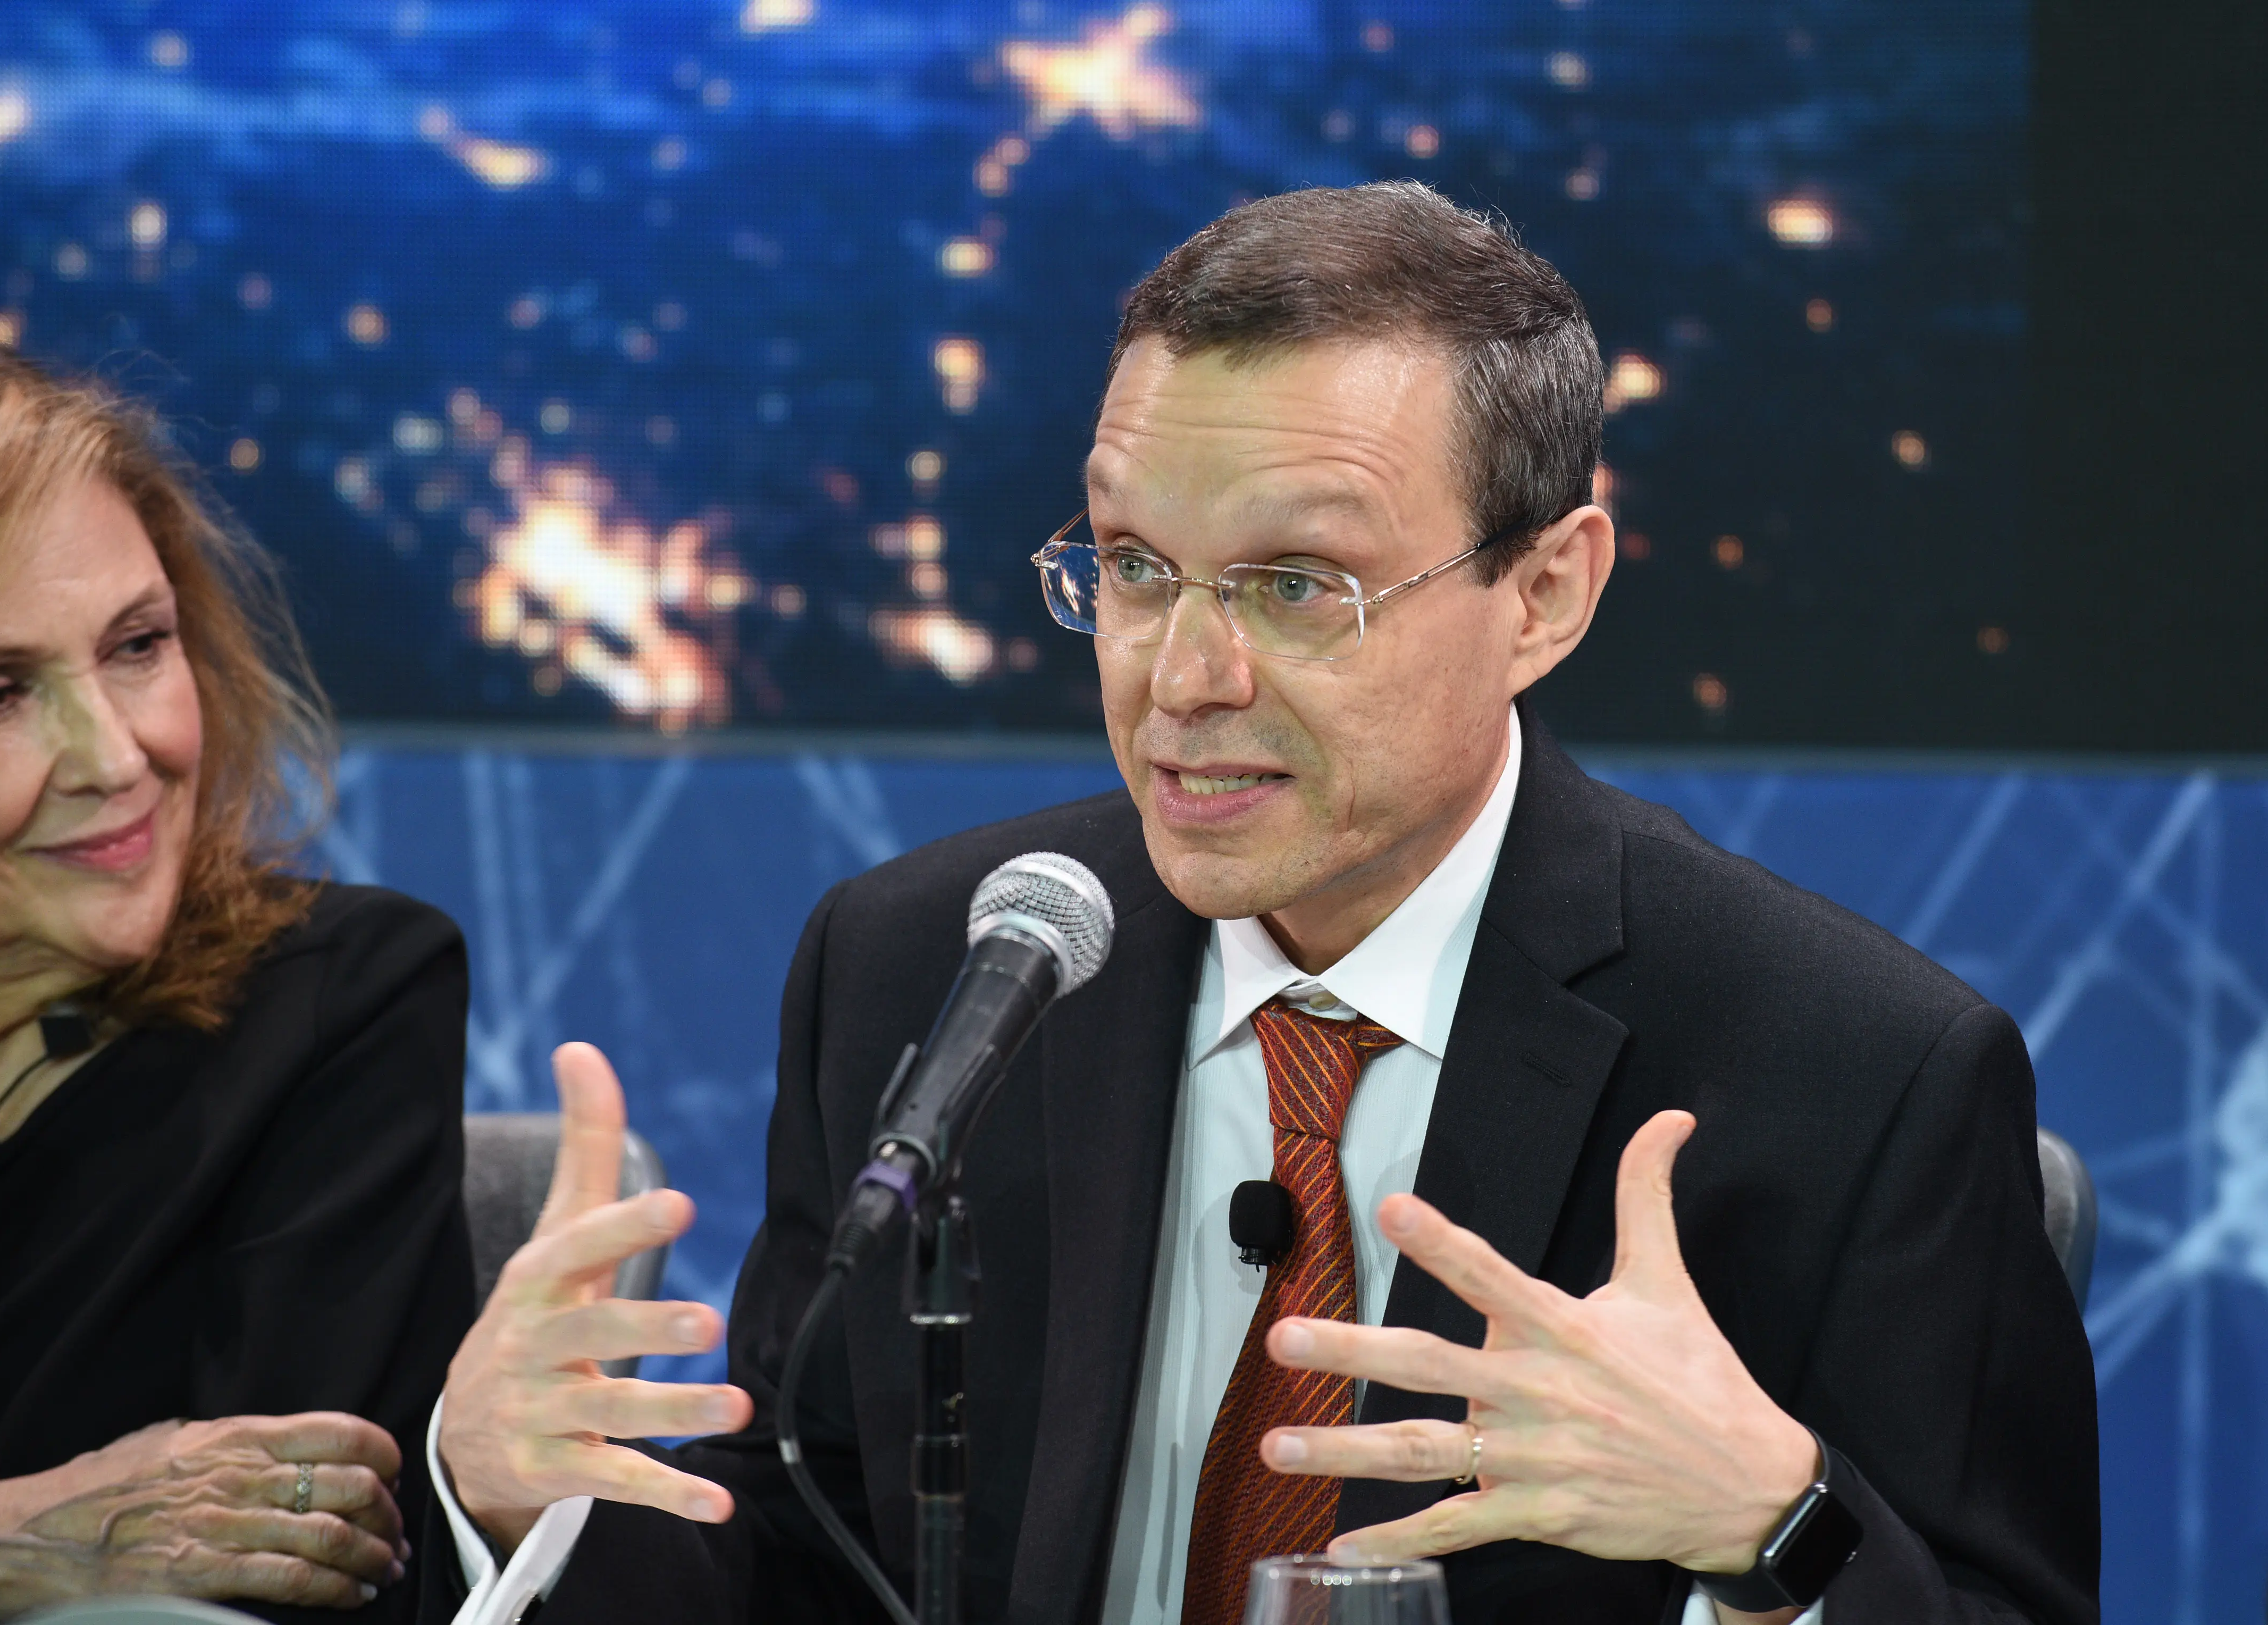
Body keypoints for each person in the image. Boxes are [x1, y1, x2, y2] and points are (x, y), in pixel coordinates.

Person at [427, 183, 2098, 1624]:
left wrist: (1770, 1530)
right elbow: (819, 1573)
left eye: (1299, 586)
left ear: (1546, 596)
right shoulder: (934, 973)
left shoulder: (1853, 1075)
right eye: (1136, 568)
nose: (1186, 679)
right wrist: (537, 1515)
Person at [0, 352, 476, 1621]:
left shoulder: (339, 1006)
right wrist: (17, 1533)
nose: (119, 751)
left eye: (139, 647)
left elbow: (296, 1571)